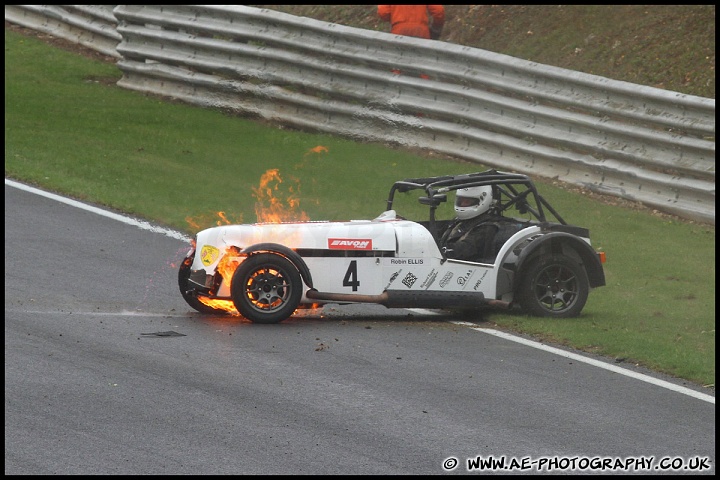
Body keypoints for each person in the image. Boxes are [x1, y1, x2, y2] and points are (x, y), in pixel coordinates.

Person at [439, 185, 522, 263]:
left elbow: (465, 249)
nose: (463, 204)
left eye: (467, 202)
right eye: (460, 201)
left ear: (481, 201)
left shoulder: (487, 227)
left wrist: (439, 250)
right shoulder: (460, 221)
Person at [377, 5, 445, 40]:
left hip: (399, 30)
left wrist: (394, 19)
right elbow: (439, 11)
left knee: (398, 61)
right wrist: (436, 26)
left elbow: (383, 12)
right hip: (421, 30)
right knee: (422, 62)